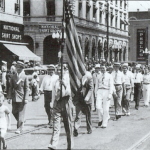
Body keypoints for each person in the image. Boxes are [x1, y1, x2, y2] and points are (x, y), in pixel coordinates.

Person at [48, 65, 74, 150]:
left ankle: (70, 145)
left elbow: (69, 92)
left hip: (66, 102)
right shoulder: (55, 80)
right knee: (56, 125)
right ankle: (54, 144)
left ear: (65, 70)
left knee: (68, 125)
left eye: (61, 70)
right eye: (58, 70)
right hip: (57, 103)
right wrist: (52, 103)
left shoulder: (68, 79)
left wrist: (65, 85)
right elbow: (53, 92)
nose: (59, 71)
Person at [7, 61, 29, 134]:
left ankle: (19, 128)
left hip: (22, 97)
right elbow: (10, 87)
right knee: (14, 111)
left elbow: (26, 88)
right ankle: (21, 121)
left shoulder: (25, 77)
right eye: (17, 67)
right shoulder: (13, 76)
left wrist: (26, 98)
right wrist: (9, 97)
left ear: (22, 68)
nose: (18, 69)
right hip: (14, 96)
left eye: (20, 67)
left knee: (21, 113)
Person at [73, 67, 94, 136]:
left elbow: (91, 88)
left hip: (87, 99)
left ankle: (89, 128)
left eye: (83, 70)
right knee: (78, 115)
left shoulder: (89, 77)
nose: (81, 72)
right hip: (79, 99)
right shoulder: (76, 77)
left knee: (88, 115)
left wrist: (87, 97)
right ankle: (76, 129)